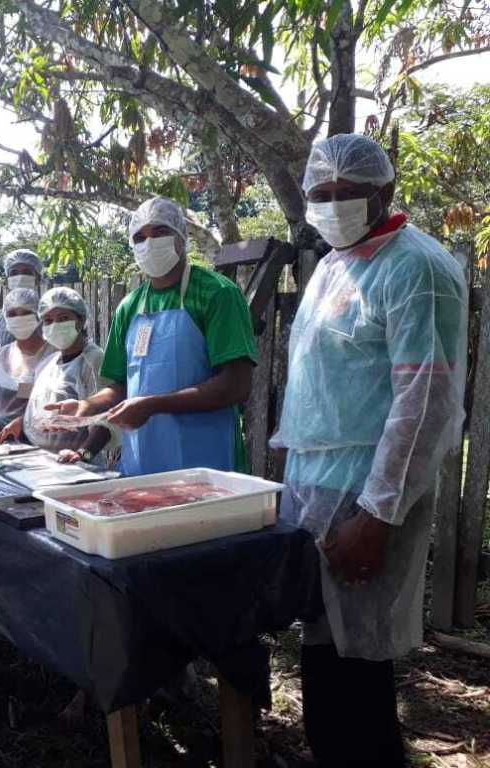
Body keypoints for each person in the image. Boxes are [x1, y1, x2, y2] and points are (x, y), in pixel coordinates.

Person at [270, 134, 467, 767]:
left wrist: (377, 514)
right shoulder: (333, 262)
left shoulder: (417, 268)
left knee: (359, 669)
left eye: (346, 194)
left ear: (383, 192)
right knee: (325, 656)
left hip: (367, 491)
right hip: (315, 484)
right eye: (319, 195)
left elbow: (425, 404)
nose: (331, 206)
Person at [49, 196, 257, 475]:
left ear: (182, 237)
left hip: (207, 462)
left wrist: (154, 405)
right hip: (142, 463)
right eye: (139, 237)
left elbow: (236, 385)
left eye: (160, 232)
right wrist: (86, 407)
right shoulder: (130, 307)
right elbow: (122, 387)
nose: (149, 243)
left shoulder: (217, 293)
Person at [0, 287, 111, 463]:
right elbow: (43, 406)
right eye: (48, 320)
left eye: (63, 318)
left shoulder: (93, 361)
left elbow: (104, 422)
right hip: (43, 462)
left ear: (81, 320)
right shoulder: (49, 363)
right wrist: (21, 422)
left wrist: (82, 454)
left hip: (78, 467)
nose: (55, 325)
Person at [0, 288, 54, 436]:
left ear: (39, 316)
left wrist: (25, 422)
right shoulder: (0, 357)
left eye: (26, 313)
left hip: (48, 444)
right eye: (12, 314)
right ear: (5, 318)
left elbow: (64, 403)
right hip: (4, 442)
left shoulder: (55, 355)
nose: (19, 318)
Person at [0, 249, 45, 359]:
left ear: (38, 278)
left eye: (27, 272)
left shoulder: (50, 314)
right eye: (14, 273)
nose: (20, 277)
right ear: (7, 279)